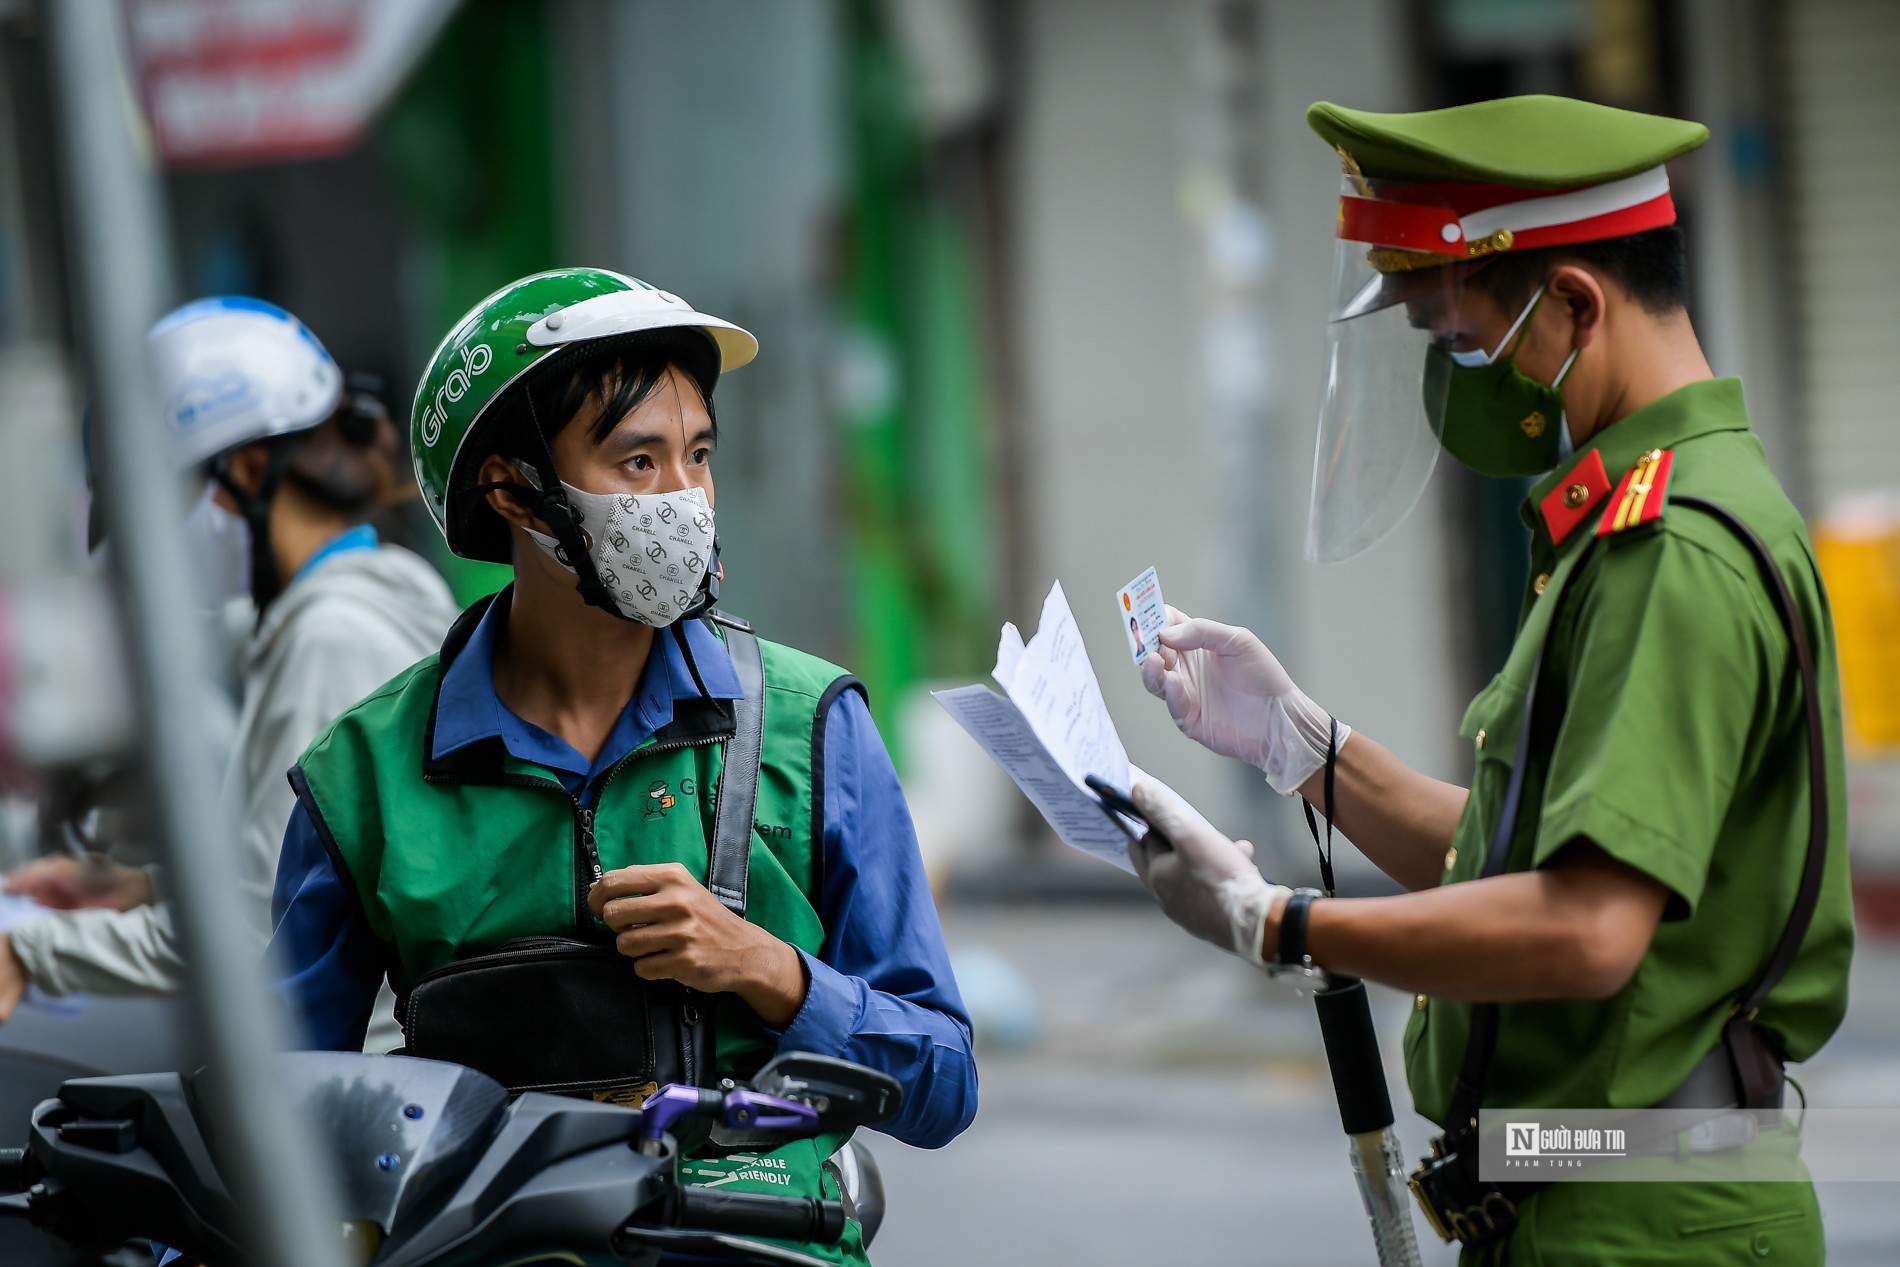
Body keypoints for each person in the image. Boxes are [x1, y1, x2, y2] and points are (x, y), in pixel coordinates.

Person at [1125, 96, 1853, 1265]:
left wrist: (1278, 922)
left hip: (1645, 1219)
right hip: (1592, 1195)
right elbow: (1520, 857)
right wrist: (1299, 743)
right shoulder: (1642, 519)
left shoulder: (1670, 546)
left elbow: (1583, 930)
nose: (1456, 371)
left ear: (1572, 300)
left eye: (1456, 335)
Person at [266, 268, 976, 1265]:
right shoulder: (362, 777)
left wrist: (764, 968)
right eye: (637, 462)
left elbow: (944, 1084)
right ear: (513, 490)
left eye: (698, 454)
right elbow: (275, 1118)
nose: (683, 500)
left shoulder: (810, 726)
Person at [0, 298, 458, 1056]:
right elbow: (311, 874)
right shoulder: (357, 602)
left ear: (245, 470)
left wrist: (32, 951)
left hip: (356, 1094)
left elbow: (262, 931)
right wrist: (139, 890)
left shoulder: (330, 638)